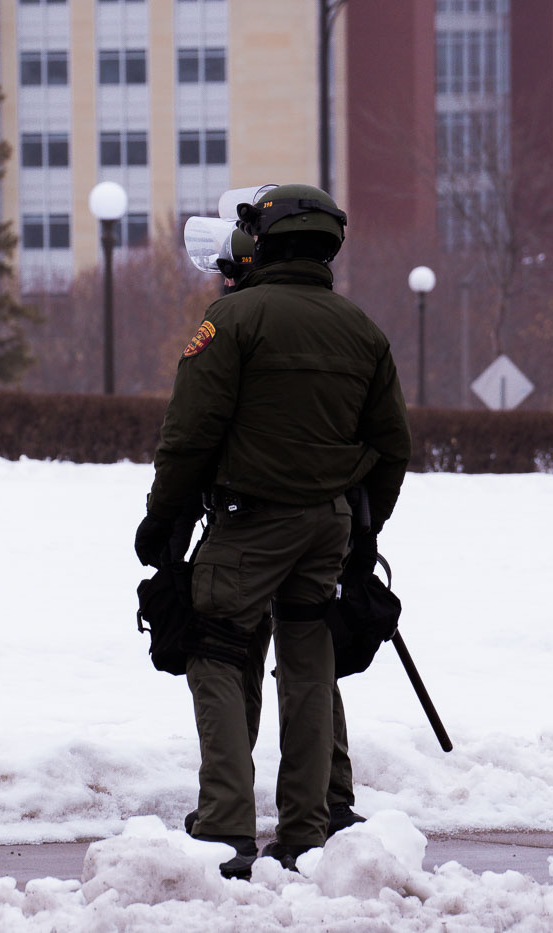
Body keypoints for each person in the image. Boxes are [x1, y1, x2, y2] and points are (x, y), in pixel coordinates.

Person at [136, 183, 411, 878]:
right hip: (329, 525)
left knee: (218, 651)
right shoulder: (363, 329)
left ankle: (226, 826)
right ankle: (308, 828)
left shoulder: (233, 320)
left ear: (264, 241)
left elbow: (189, 432)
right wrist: (364, 530)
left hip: (249, 520)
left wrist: (163, 515)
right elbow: (392, 444)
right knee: (309, 662)